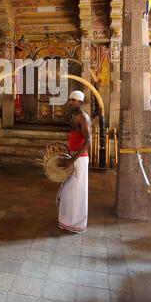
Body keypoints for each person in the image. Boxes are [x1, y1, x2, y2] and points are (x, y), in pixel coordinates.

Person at [56, 90, 91, 233]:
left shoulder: (83, 117)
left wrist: (72, 161)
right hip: (74, 157)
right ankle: (67, 220)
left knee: (77, 192)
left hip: (80, 159)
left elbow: (88, 141)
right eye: (70, 99)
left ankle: (76, 223)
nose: (70, 102)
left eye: (73, 100)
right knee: (68, 192)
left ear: (80, 102)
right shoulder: (74, 116)